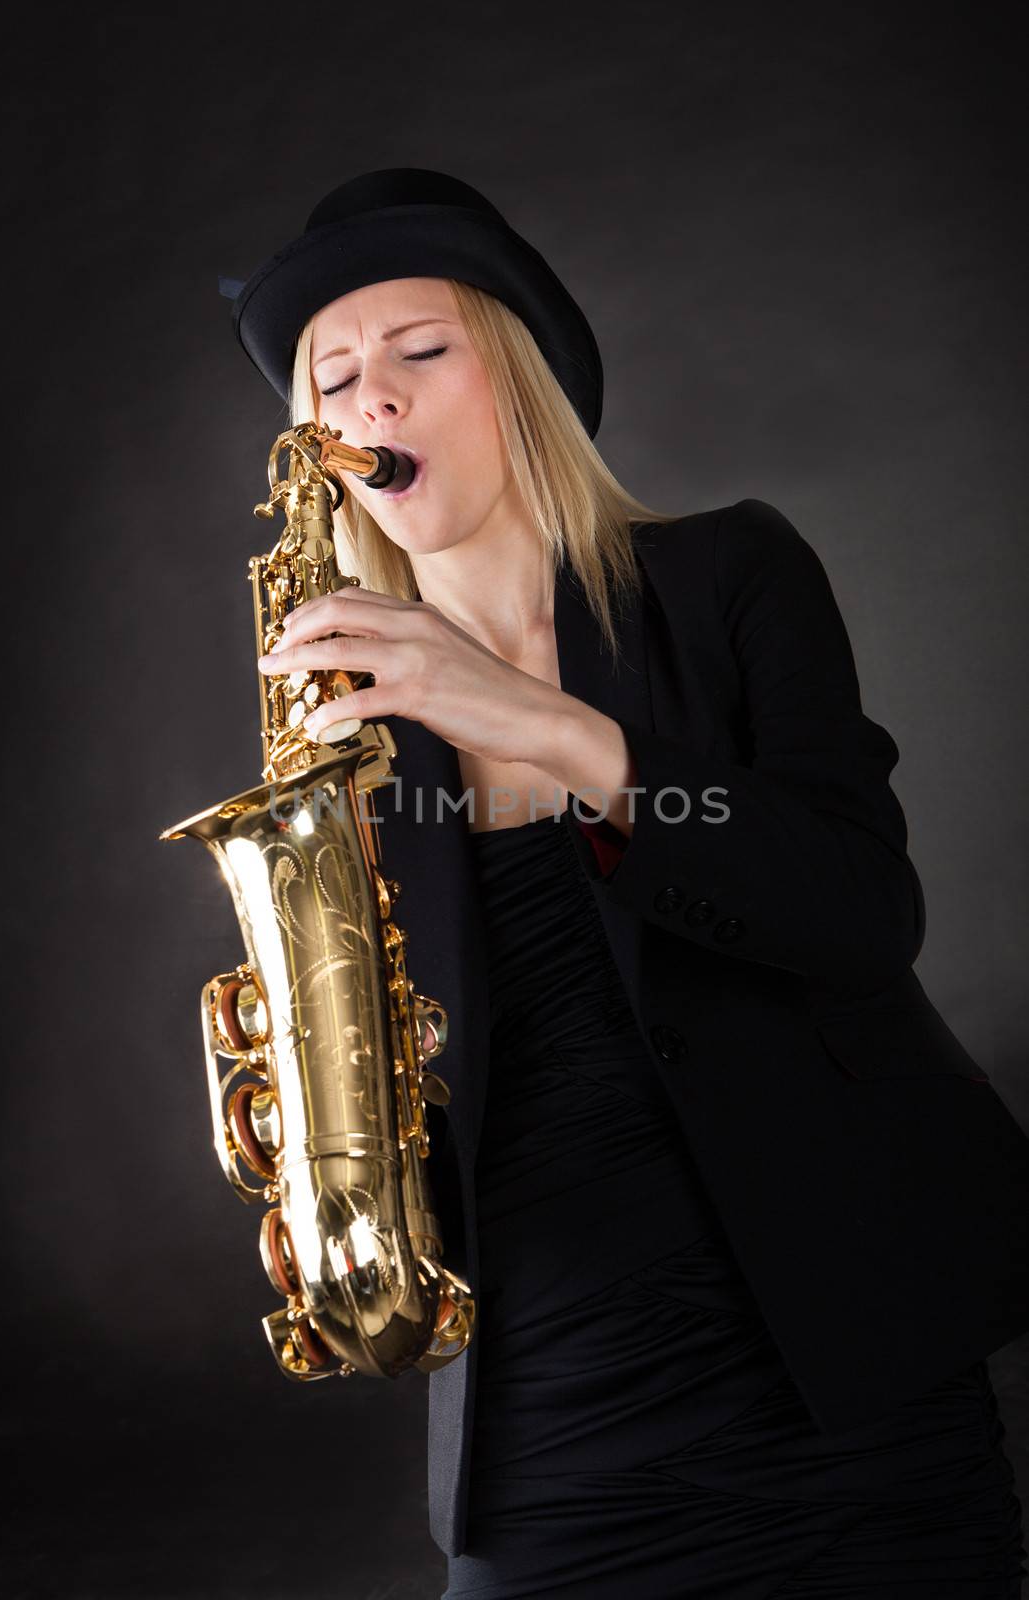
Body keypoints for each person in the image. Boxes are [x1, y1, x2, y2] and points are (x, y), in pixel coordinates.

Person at [225, 168, 1029, 1597]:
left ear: (521, 379)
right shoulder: (345, 743)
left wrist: (544, 727)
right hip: (556, 1412)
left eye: (421, 350)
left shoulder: (730, 575)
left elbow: (856, 912)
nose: (371, 402)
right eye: (331, 380)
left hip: (848, 1363)